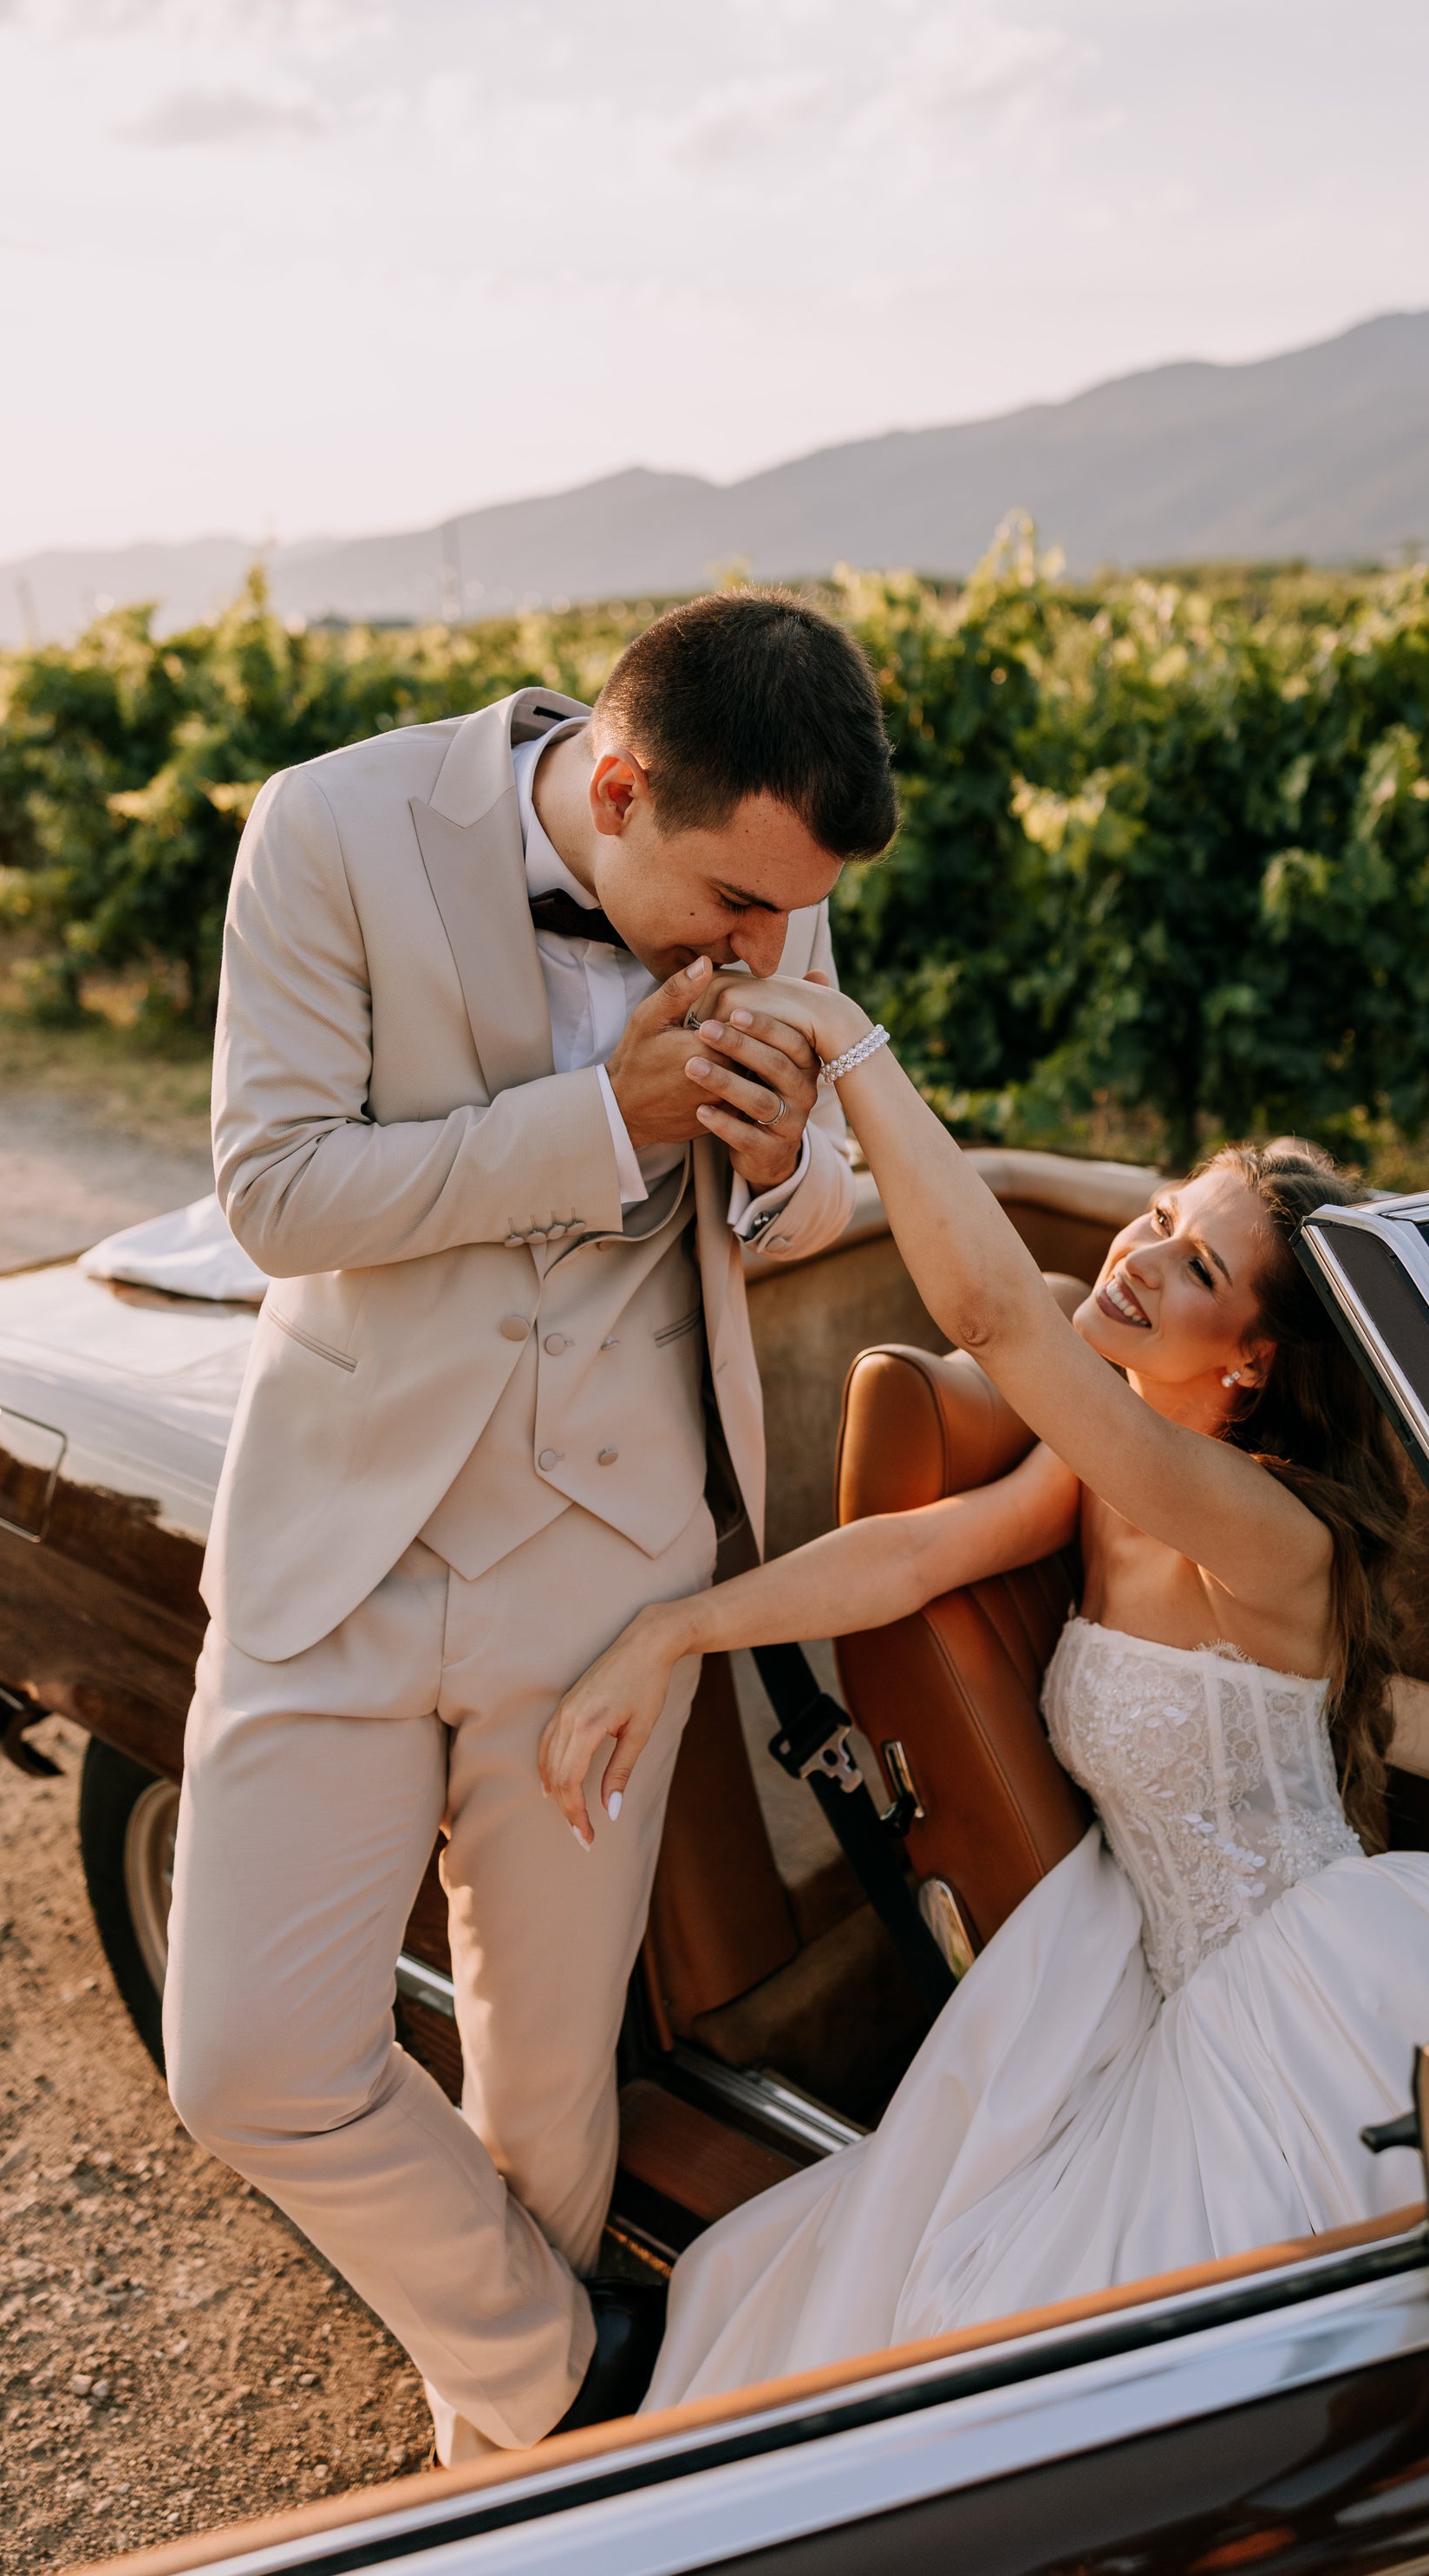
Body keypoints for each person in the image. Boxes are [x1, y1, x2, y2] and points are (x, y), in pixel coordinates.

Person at [545, 975, 1429, 2408]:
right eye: (1160, 1216)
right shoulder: (1105, 1460)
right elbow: (913, 1555)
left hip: (1304, 1994)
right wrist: (677, 1632)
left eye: (1198, 1267)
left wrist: (852, 1047)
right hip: (1151, 1968)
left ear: (1251, 1364)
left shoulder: (1260, 1524)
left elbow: (996, 1315)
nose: (1143, 1258)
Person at [161, 594, 897, 2462]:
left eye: (788, 918)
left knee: (550, 2093)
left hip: (604, 1573)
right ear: (620, 785)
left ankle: (511, 2477)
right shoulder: (328, 827)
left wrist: (778, 1162)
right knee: (247, 2059)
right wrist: (598, 1118)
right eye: (735, 908)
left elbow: (818, 1188)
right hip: (341, 1541)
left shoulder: (767, 865)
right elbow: (275, 1192)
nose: (765, 947)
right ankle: (574, 2376)